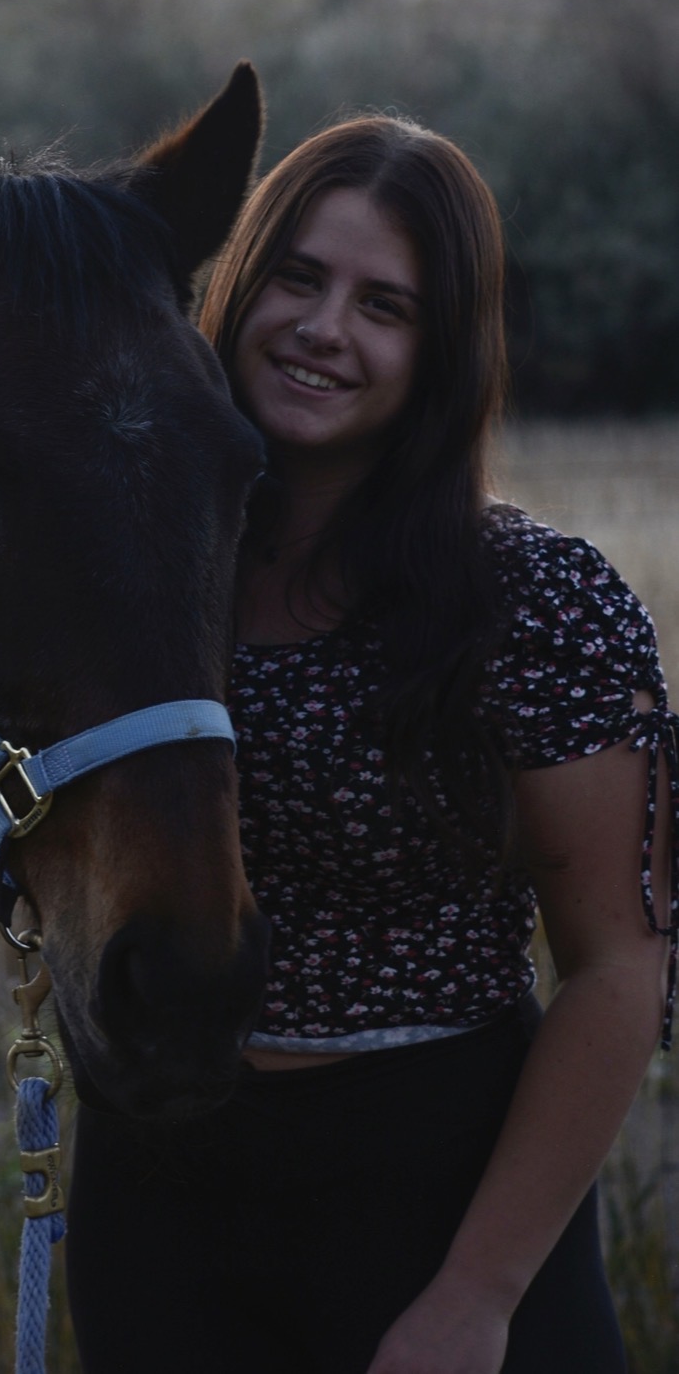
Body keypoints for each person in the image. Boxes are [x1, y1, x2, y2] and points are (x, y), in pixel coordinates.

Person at [65, 115, 677, 1374]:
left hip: (442, 1193)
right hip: (158, 1193)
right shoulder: (137, 571)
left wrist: (478, 1293)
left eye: (383, 304)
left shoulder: (536, 600)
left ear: (443, 351)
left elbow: (620, 963)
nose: (322, 328)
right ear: (239, 285)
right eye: (298, 277)